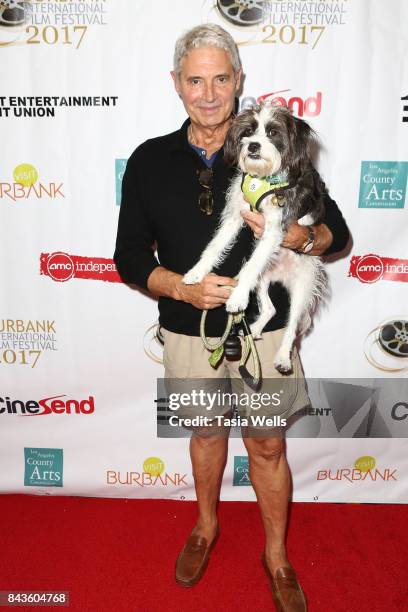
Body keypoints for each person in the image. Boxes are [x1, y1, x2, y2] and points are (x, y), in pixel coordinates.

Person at [114, 23, 349, 612]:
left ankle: (277, 557)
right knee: (205, 432)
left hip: (266, 333)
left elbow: (337, 233)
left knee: (267, 446)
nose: (210, 92)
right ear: (177, 85)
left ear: (239, 81)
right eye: (196, 80)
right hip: (189, 330)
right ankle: (205, 527)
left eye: (222, 78)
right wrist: (181, 288)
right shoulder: (148, 161)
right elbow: (129, 256)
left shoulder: (278, 149)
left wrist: (302, 237)